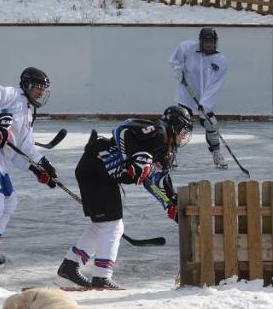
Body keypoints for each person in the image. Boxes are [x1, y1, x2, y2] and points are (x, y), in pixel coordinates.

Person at [57, 104, 193, 290]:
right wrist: (133, 157)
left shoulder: (163, 148)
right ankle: (101, 277)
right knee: (112, 226)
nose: (184, 136)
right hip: (96, 167)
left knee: (103, 225)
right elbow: (123, 129)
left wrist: (169, 203)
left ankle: (70, 266)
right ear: (175, 124)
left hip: (99, 172)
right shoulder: (159, 131)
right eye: (183, 130)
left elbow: (155, 179)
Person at [0, 67, 58, 276]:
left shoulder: (29, 111)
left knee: (10, 200)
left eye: (43, 89)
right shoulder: (11, 95)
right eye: (37, 87)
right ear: (26, 85)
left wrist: (41, 166)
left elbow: (23, 146)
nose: (40, 92)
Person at [168, 27, 229, 169]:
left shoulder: (221, 61)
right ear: (200, 42)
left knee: (211, 124)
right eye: (206, 42)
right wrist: (177, 70)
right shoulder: (187, 48)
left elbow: (216, 85)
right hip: (186, 94)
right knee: (180, 124)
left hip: (206, 98)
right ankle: (171, 154)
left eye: (211, 42)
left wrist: (205, 104)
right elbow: (175, 60)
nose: (209, 45)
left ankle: (216, 153)